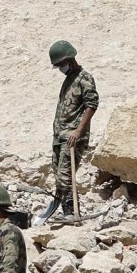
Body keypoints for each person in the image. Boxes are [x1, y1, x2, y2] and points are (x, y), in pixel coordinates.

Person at [46, 40, 99, 219]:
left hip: (73, 136)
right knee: (59, 176)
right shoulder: (68, 80)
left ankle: (72, 213)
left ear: (69, 60)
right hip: (60, 136)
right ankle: (67, 211)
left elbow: (91, 105)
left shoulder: (85, 78)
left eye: (61, 64)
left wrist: (78, 131)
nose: (61, 68)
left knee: (65, 175)